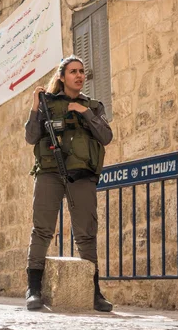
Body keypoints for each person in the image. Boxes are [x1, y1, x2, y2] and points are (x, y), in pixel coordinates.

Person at [24, 55, 113, 312]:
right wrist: (34, 106)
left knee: (86, 233)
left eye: (82, 71)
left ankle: (93, 292)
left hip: (82, 174)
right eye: (73, 71)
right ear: (62, 77)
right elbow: (31, 137)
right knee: (42, 230)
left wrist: (84, 112)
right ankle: (33, 289)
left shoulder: (93, 106)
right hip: (50, 172)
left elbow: (106, 136)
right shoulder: (47, 104)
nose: (79, 76)